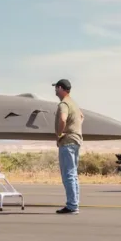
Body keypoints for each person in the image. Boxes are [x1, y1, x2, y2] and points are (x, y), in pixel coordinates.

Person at [53, 79, 84, 214]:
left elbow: (63, 119)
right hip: (76, 140)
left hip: (67, 142)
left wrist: (60, 134)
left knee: (68, 175)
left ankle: (72, 206)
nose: (55, 90)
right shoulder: (74, 104)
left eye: (56, 88)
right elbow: (82, 117)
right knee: (73, 174)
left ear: (60, 88)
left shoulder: (64, 104)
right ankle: (74, 203)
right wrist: (75, 128)